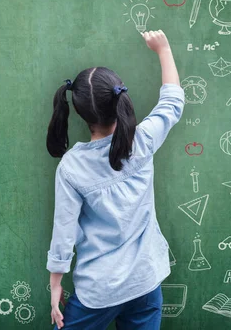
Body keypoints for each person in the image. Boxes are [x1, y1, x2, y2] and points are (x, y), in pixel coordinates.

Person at [46, 30, 184, 329]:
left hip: (99, 289)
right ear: (120, 98)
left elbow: (64, 230)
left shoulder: (72, 167)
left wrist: (55, 281)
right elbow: (172, 103)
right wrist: (163, 49)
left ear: (79, 112)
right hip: (146, 281)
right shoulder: (142, 141)